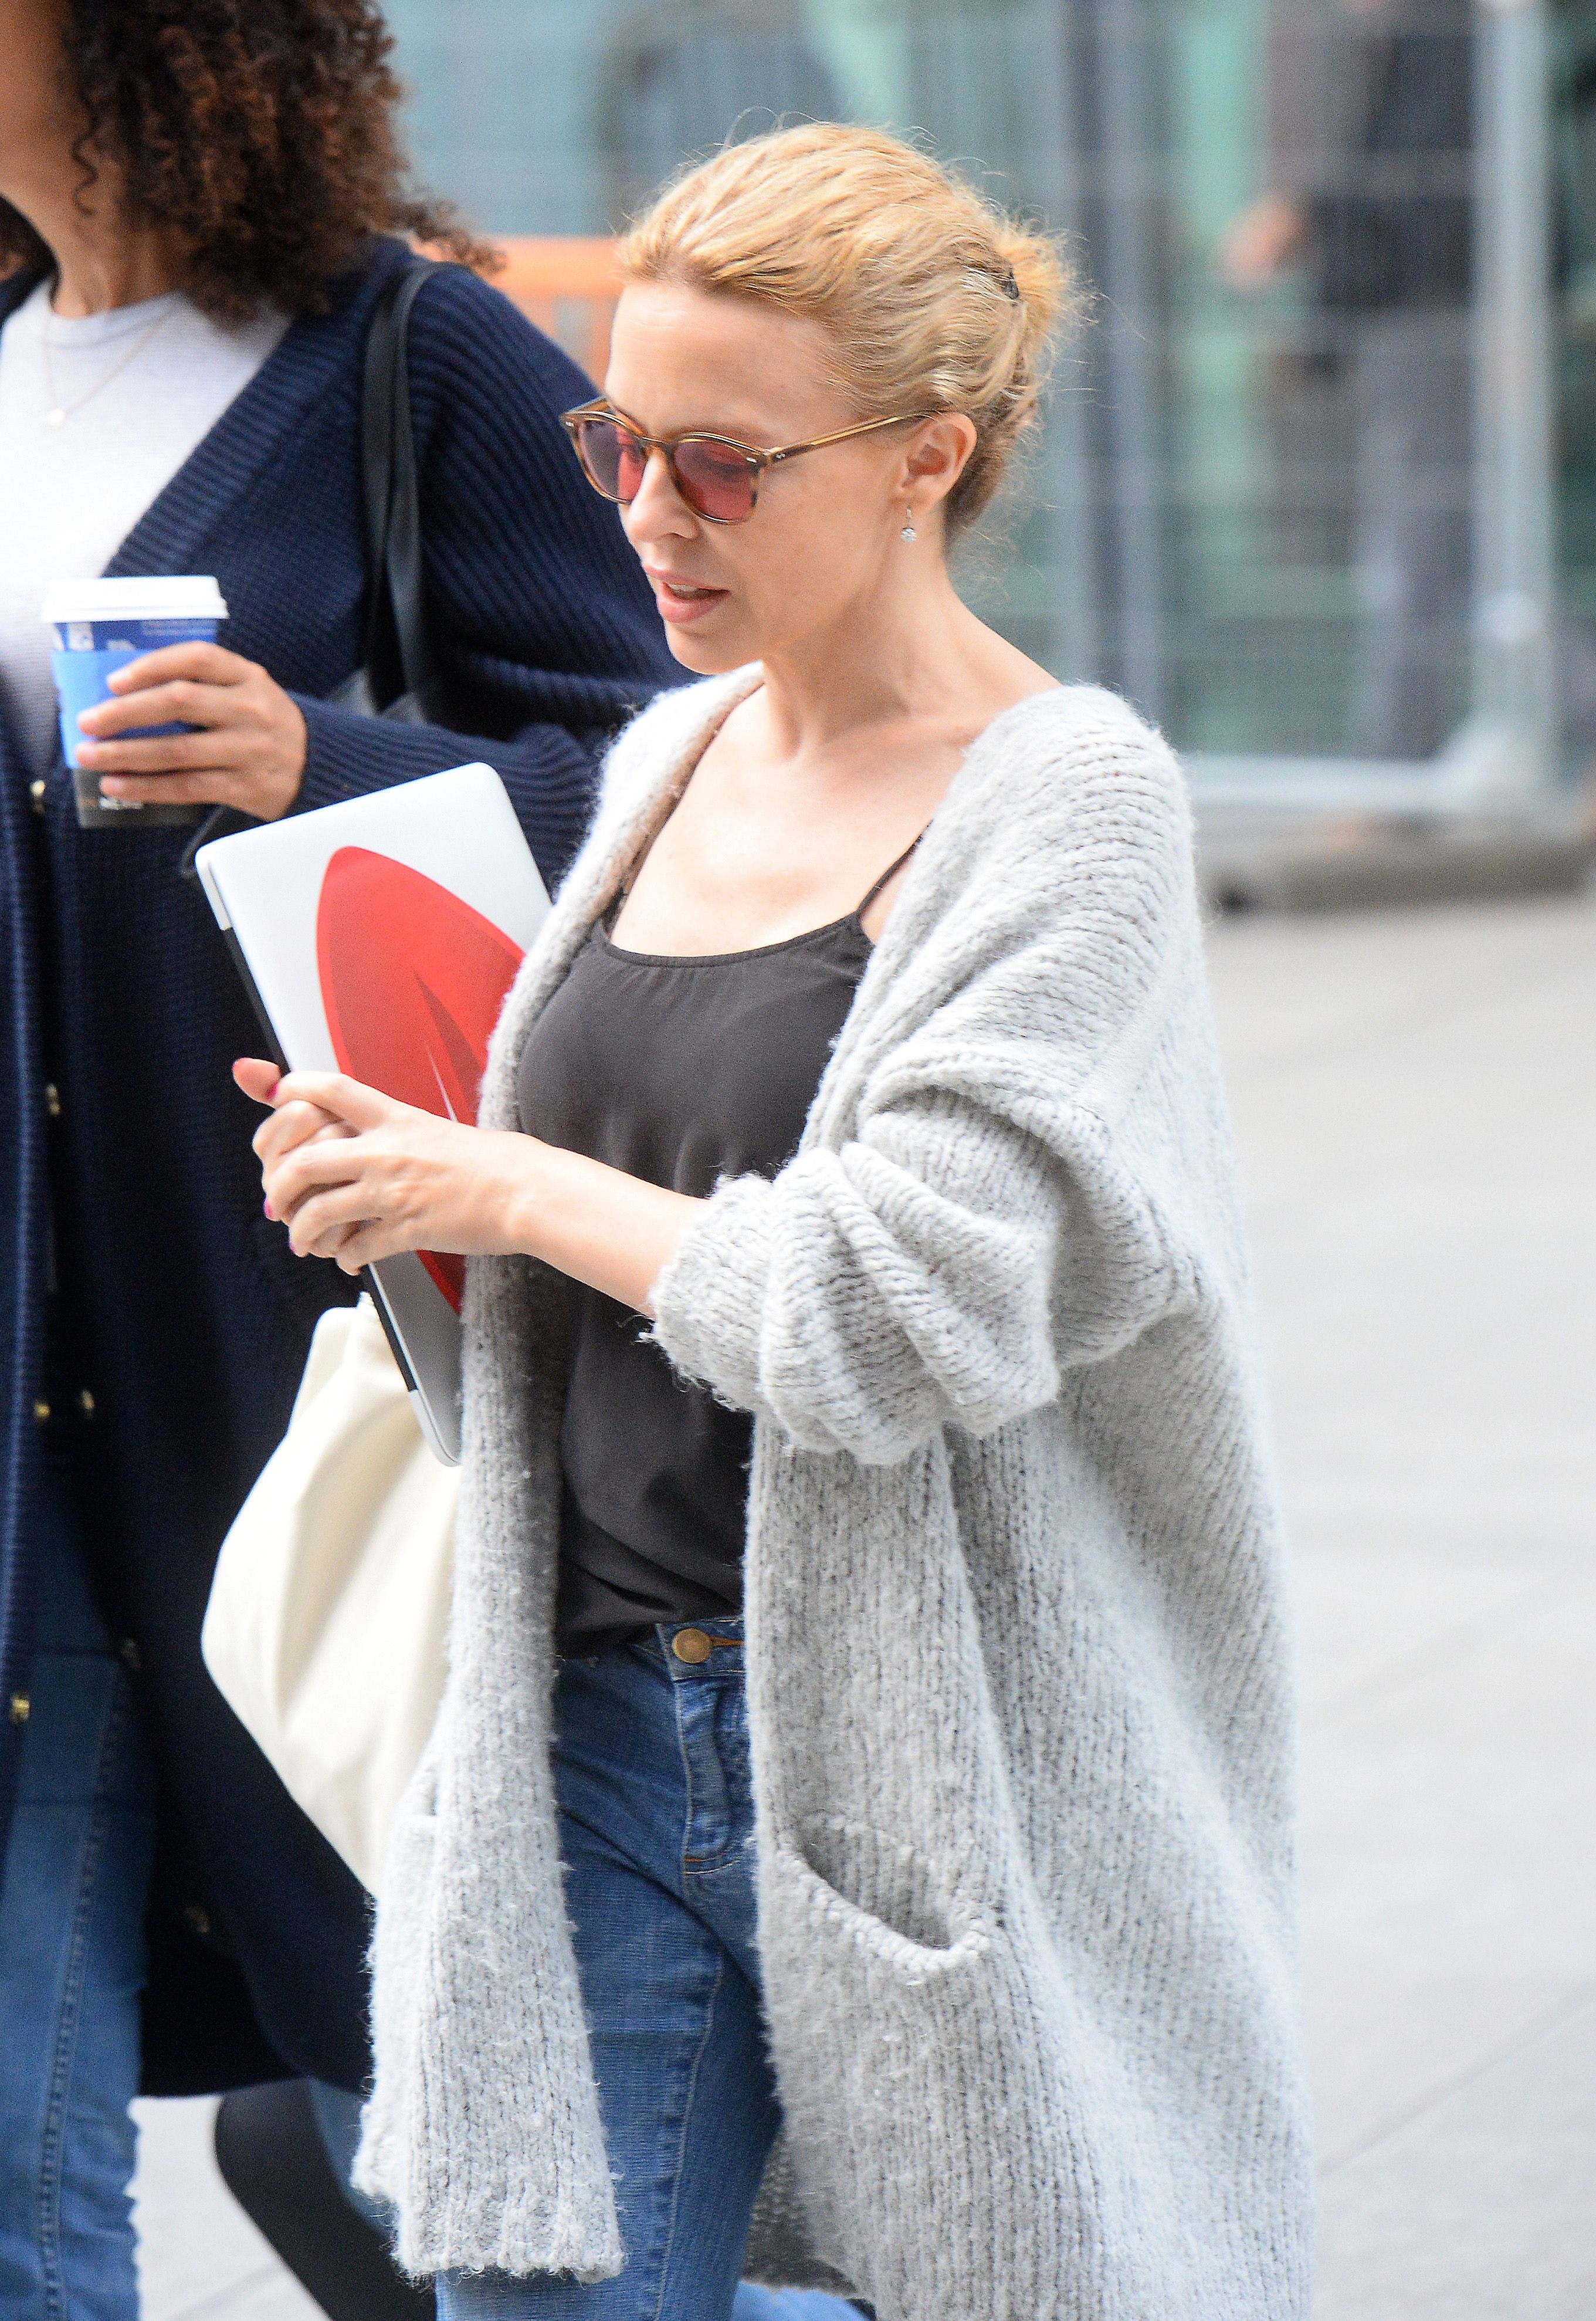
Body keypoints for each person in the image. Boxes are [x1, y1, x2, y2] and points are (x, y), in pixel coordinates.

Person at [242, 123, 1313, 2320]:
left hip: (930, 1750)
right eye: (619, 443)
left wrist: (500, 1178)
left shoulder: (1070, 806)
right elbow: (583, 1207)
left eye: (724, 465)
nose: (650, 514)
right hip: (585, 1721)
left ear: (927, 457)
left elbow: (889, 1305)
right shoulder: (670, 755)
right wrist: (397, 1170)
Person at [0, 1, 675, 2315]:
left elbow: (675, 777)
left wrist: (326, 760)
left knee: (439, 2131)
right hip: (26, 1383)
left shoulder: (408, 358)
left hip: (290, 1348)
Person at [1224, 0, 1473, 759]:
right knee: (1455, 553)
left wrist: (1303, 216)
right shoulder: (1407, 42)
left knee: (1423, 555)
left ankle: (1397, 771)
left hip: (1433, 328)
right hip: (1415, 328)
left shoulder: (1448, 39)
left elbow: (1415, 194)